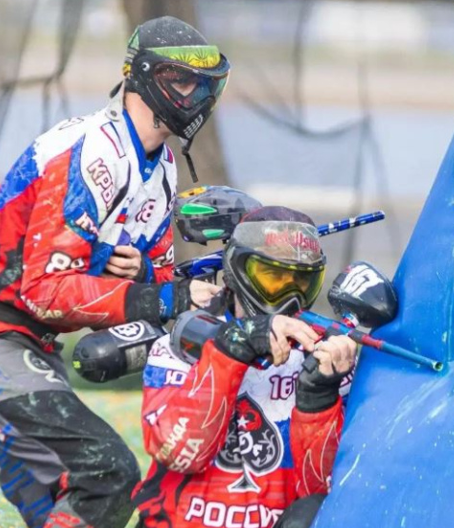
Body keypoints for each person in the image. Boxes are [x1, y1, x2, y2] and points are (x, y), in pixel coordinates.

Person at [0, 15, 230, 528]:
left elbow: (160, 280)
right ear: (147, 78)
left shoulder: (162, 168)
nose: (200, 97)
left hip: (27, 344)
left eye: (206, 85)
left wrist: (152, 278)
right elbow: (44, 291)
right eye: (185, 82)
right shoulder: (91, 152)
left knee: (65, 494)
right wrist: (164, 297)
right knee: (105, 474)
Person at [132, 206, 357, 528]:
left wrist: (318, 399)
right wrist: (231, 350)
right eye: (274, 279)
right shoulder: (179, 346)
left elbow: (324, 491)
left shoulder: (326, 360)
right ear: (238, 271)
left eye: (302, 283)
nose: (290, 298)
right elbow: (178, 454)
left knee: (309, 513)